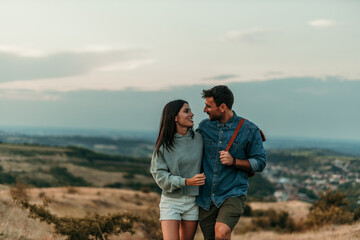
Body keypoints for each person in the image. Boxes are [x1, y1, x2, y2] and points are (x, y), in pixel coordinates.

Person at [196, 85, 266, 240]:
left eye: (208, 106)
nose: (204, 110)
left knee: (222, 233)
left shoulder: (249, 130)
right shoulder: (204, 127)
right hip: (206, 196)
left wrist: (234, 161)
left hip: (232, 192)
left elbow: (260, 162)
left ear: (222, 107)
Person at [150, 99, 206, 240]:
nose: (192, 114)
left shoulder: (199, 139)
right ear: (175, 117)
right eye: (186, 111)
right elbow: (160, 177)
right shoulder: (163, 145)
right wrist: (186, 182)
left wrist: (250, 132)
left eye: (190, 110)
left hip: (193, 201)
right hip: (171, 201)